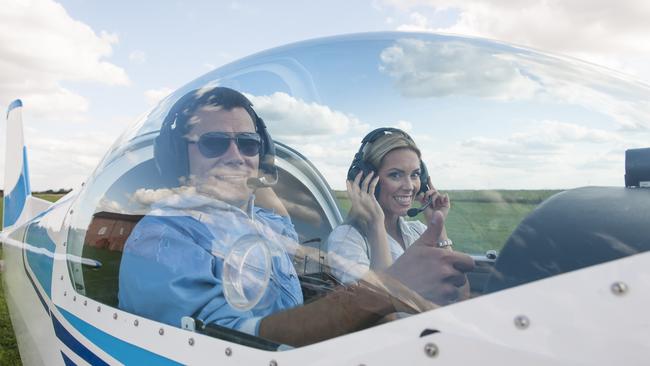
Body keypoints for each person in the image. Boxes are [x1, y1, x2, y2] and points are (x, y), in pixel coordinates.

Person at [118, 87, 474, 347]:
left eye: (247, 144)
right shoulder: (164, 239)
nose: (235, 155)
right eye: (213, 143)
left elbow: (281, 218)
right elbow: (232, 346)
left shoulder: (266, 224)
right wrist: (388, 288)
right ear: (178, 155)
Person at [327, 128, 466, 301]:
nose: (409, 186)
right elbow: (381, 304)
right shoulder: (346, 240)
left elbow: (458, 296)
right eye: (396, 175)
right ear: (367, 180)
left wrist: (437, 225)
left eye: (415, 174)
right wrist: (376, 225)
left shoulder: (418, 231)